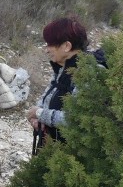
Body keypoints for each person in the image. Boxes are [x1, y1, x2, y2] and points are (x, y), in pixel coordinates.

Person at [27, 17, 105, 152]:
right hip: (53, 146)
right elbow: (48, 95)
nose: (47, 49)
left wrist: (39, 113)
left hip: (73, 156)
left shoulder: (89, 72)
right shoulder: (64, 67)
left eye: (50, 44)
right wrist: (39, 119)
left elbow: (74, 119)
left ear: (67, 46)